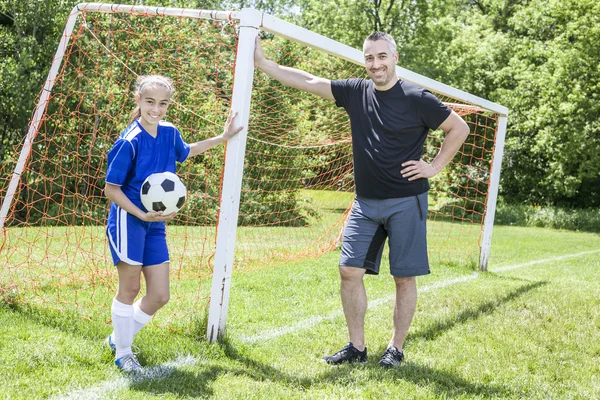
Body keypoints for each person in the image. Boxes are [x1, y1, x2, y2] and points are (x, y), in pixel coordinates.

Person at [254, 32, 469, 367]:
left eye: (382, 56)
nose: (375, 64)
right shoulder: (356, 92)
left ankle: (395, 348)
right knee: (348, 271)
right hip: (365, 203)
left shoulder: (416, 97)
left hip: (406, 201)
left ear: (395, 57)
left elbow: (459, 128)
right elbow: (310, 80)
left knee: (403, 278)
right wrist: (264, 64)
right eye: (369, 58)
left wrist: (434, 166)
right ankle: (357, 347)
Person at [103, 75, 243, 372]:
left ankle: (118, 337)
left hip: (156, 223)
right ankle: (124, 352)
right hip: (129, 219)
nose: (156, 109)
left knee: (159, 295)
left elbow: (186, 151)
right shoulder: (128, 142)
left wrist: (223, 137)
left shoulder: (169, 133)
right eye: (150, 102)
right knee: (128, 291)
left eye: (163, 103)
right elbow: (111, 190)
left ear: (169, 104)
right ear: (138, 101)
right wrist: (141, 214)